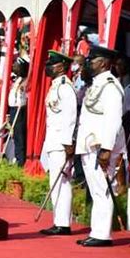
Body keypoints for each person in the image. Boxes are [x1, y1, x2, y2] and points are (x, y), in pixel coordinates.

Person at [75, 46, 125, 247]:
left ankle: (103, 234)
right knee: (96, 189)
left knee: (102, 189)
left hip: (101, 146)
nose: (89, 63)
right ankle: (97, 231)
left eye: (92, 60)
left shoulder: (111, 86)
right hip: (89, 144)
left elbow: (113, 120)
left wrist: (107, 148)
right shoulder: (95, 84)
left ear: (103, 63)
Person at [40, 51, 77, 236]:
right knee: (55, 181)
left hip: (62, 142)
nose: (48, 67)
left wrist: (68, 142)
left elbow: (70, 116)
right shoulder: (55, 86)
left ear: (61, 66)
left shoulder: (65, 87)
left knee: (61, 182)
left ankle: (63, 224)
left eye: (51, 64)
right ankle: (59, 221)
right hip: (53, 141)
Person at [8, 57, 28, 166]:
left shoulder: (26, 80)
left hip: (20, 110)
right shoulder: (18, 79)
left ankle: (21, 161)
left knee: (19, 136)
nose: (14, 67)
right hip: (13, 109)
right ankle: (17, 157)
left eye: (17, 65)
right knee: (15, 135)